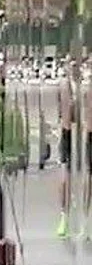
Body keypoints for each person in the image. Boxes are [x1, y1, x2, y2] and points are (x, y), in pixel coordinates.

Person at [55, 57, 92, 238]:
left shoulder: (87, 86)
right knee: (66, 175)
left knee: (88, 177)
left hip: (87, 134)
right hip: (69, 133)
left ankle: (85, 220)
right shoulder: (64, 85)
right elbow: (64, 115)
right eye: (72, 65)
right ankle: (65, 217)